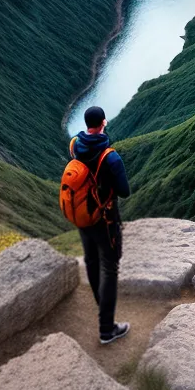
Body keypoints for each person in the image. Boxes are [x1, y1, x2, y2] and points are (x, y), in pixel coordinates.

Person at [69, 105, 131, 344]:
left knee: (92, 262)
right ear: (104, 122)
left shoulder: (75, 145)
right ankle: (107, 329)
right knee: (110, 268)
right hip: (105, 219)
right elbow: (124, 191)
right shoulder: (110, 156)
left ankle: (101, 304)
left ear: (87, 124)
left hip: (83, 216)